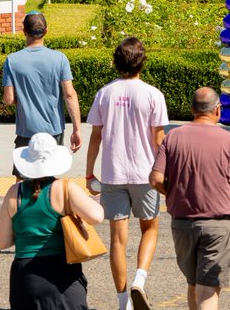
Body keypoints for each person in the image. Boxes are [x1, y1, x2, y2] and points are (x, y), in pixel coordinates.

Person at [149, 88, 230, 310]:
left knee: (193, 285)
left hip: (182, 224)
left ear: (192, 109)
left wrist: (173, 192)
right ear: (218, 110)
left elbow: (155, 178)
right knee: (208, 290)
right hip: (217, 225)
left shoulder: (173, 137)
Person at [85, 37, 169, 310]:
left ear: (116, 62)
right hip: (146, 173)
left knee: (118, 240)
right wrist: (167, 171)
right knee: (150, 228)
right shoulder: (153, 94)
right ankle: (139, 280)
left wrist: (89, 173)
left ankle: (123, 302)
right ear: (142, 63)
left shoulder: (104, 93)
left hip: (113, 172)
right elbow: (159, 139)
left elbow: (95, 137)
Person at [0, 133, 104, 310]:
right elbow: (97, 216)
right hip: (63, 275)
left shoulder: (14, 192)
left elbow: (2, 242)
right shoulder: (66, 188)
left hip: (25, 278)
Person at [3, 13, 82, 164]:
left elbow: (8, 99)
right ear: (46, 31)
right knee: (50, 172)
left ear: (24, 31)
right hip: (53, 130)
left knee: (24, 175)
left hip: (26, 130)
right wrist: (77, 129)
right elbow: (69, 95)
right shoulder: (60, 58)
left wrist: (24, 99)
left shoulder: (12, 60)